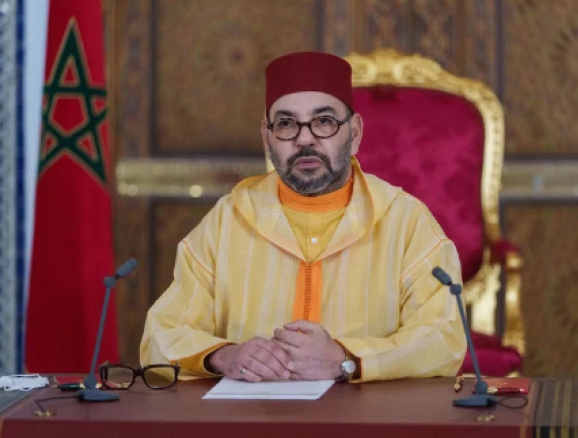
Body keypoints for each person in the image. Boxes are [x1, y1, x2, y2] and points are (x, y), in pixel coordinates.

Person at [140, 52, 466, 383]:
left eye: (324, 121)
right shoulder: (228, 220)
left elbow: (444, 339)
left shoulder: (405, 221)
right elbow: (160, 335)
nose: (305, 139)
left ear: (354, 134)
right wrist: (223, 355)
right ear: (267, 137)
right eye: (286, 124)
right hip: (252, 412)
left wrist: (346, 360)